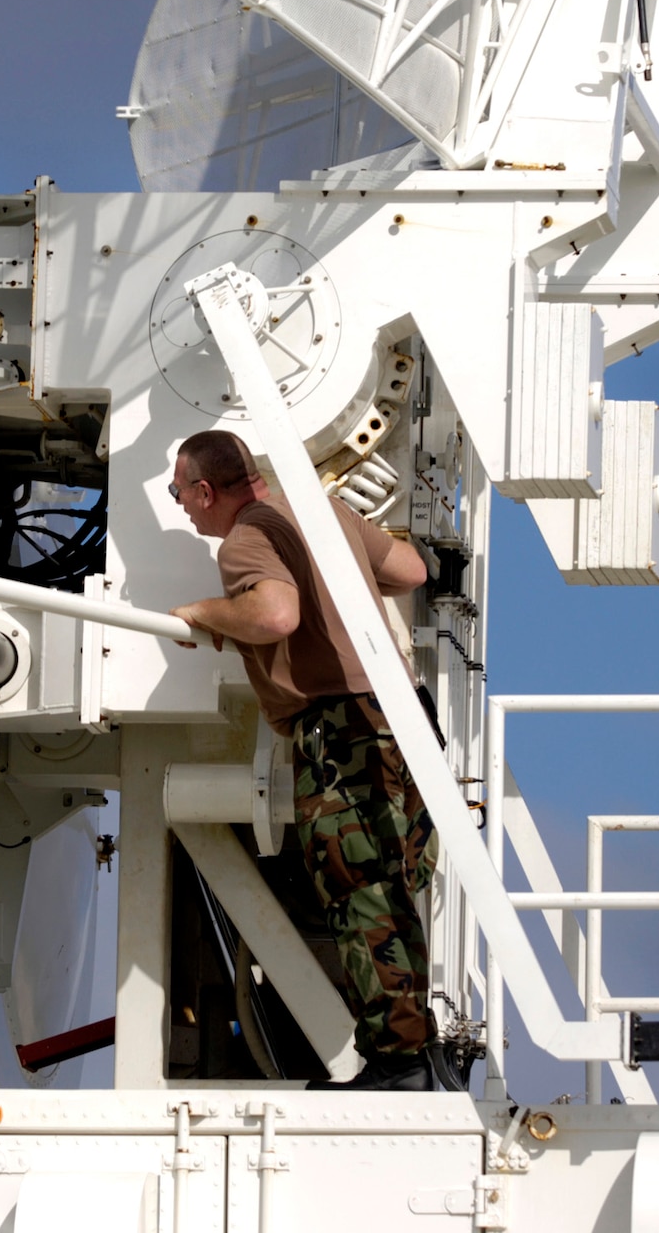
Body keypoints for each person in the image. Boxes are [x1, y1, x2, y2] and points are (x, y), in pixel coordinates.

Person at [166, 429, 452, 1092]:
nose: (180, 506)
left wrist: (201, 612)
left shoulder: (245, 539)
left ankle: (399, 1063)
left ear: (206, 491)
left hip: (343, 727)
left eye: (180, 493)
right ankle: (417, 1048)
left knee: (360, 892)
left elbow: (274, 615)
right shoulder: (319, 512)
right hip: (403, 718)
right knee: (394, 886)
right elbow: (410, 571)